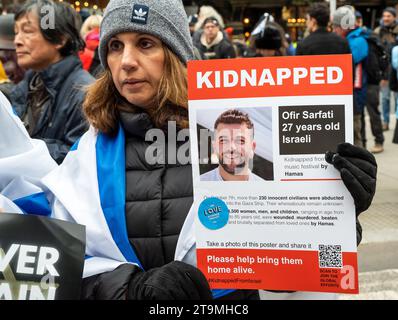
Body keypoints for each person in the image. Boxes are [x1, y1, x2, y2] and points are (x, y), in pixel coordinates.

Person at [0, 0, 377, 300]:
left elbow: (285, 271)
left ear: (178, 55)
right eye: (115, 46)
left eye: (145, 43)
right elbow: (58, 265)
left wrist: (333, 215)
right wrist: (131, 291)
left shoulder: (227, 139)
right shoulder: (89, 152)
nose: (126, 61)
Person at [10, 0, 94, 164]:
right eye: (16, 32)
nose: (17, 41)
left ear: (60, 39)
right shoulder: (28, 84)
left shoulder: (85, 94)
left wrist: (23, 153)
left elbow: (78, 160)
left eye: (27, 31)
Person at [332, 6, 369, 149]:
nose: (334, 30)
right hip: (352, 89)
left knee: (357, 127)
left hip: (357, 90)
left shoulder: (357, 40)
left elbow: (348, 63)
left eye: (336, 27)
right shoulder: (349, 39)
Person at [200, 109, 263, 182]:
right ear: (214, 147)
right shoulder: (196, 187)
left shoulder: (267, 190)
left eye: (240, 140)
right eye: (223, 140)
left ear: (252, 147)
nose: (231, 147)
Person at [374, 7, 398, 131]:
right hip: (384, 71)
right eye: (384, 16)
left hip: (396, 70)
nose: (386, 18)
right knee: (384, 99)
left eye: (389, 16)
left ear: (394, 17)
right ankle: (386, 122)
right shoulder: (378, 31)